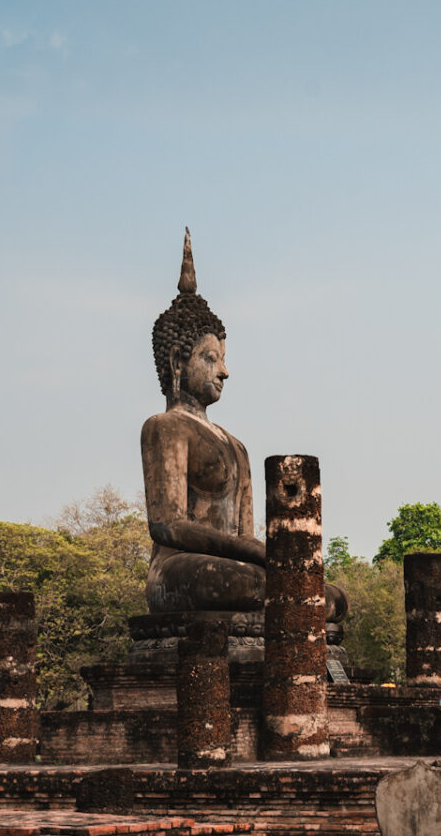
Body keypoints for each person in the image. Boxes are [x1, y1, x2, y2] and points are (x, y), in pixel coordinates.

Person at [138, 231, 346, 619]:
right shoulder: (164, 427)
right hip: (179, 569)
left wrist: (259, 551)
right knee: (259, 585)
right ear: (176, 363)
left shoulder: (237, 446)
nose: (225, 371)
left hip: (237, 565)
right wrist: (254, 553)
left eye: (223, 358)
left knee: (327, 595)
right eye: (211, 358)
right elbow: (167, 525)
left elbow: (245, 534)